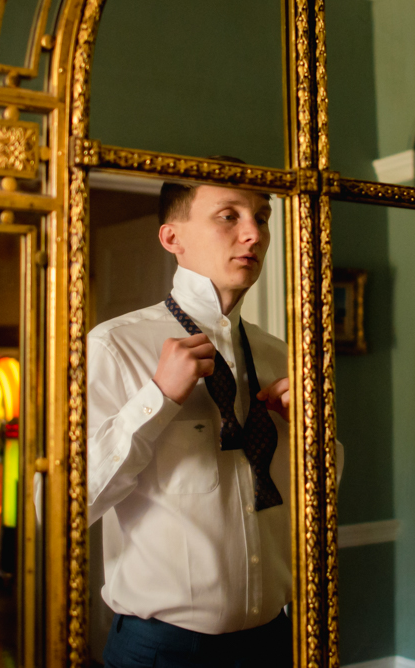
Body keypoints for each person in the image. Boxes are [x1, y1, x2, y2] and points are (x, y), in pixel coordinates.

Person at [87, 174, 308, 667]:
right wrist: (158, 399)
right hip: (161, 652)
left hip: (274, 641)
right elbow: (63, 506)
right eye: (229, 216)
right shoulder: (114, 347)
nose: (254, 233)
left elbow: (321, 495)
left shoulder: (279, 356)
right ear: (172, 239)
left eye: (262, 217)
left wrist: (312, 435)